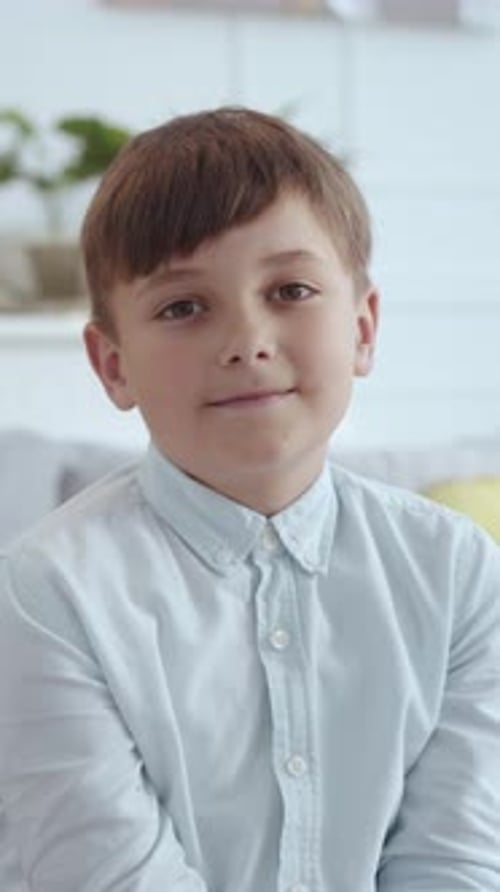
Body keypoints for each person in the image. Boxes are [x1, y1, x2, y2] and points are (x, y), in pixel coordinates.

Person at [0, 107, 499, 892]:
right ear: (112, 365)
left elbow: (457, 863)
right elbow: (111, 877)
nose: (247, 341)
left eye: (291, 289)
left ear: (364, 329)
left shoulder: (462, 572)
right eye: (183, 307)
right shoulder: (45, 591)